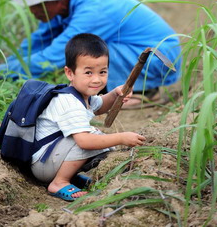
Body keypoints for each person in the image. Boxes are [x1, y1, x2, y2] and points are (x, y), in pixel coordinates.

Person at [0, 0, 182, 107]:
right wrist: (4, 66)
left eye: (35, 4)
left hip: (157, 58)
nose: (31, 10)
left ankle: (143, 90)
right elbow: (39, 40)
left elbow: (54, 57)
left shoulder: (94, 9)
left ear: (56, 0)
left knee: (90, 49)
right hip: (139, 49)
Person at [30, 33, 146, 201]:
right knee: (92, 139)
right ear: (70, 73)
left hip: (50, 159)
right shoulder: (69, 102)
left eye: (102, 72)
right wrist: (121, 137)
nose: (97, 79)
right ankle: (59, 182)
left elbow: (100, 106)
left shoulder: (82, 95)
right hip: (44, 165)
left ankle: (70, 177)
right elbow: (84, 142)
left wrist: (114, 94)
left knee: (97, 138)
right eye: (88, 73)